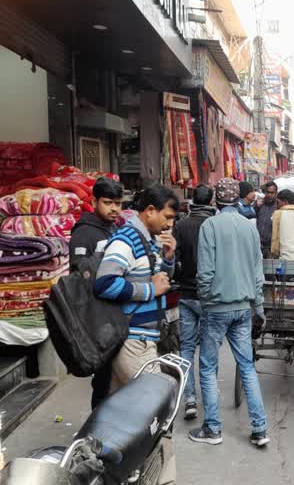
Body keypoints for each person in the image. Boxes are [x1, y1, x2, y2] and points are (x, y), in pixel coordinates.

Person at [94, 184, 178, 484]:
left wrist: (168, 257)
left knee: (115, 416)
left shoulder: (149, 239)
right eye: (167, 216)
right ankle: (162, 479)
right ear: (150, 211)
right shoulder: (127, 239)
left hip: (142, 338)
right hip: (133, 341)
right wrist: (148, 290)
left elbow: (161, 279)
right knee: (159, 414)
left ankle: (107, 473)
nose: (169, 224)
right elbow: (104, 284)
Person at [189, 178, 269, 447]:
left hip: (216, 307)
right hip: (244, 308)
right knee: (247, 366)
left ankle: (213, 428)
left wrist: (206, 299)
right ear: (237, 200)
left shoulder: (210, 226)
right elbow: (259, 273)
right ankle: (259, 429)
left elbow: (205, 272)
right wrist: (258, 306)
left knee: (208, 367)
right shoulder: (249, 229)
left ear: (216, 200)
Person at [69, 177, 123, 409]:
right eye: (108, 202)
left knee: (115, 377)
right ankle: (96, 432)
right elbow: (79, 274)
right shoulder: (84, 233)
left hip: (115, 311)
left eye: (118, 203)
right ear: (94, 201)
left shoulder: (115, 228)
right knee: (102, 380)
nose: (114, 209)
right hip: (96, 314)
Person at [172, 184, 216, 421]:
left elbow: (174, 260)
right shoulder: (214, 225)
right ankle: (210, 401)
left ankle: (190, 398)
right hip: (209, 296)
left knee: (186, 347)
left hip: (187, 294)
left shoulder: (181, 225)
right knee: (209, 350)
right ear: (211, 201)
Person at [256, 181, 278, 257]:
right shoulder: (259, 204)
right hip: (258, 245)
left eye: (272, 193)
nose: (269, 195)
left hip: (271, 247)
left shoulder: (278, 207)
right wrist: (256, 206)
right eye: (267, 192)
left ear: (276, 193)